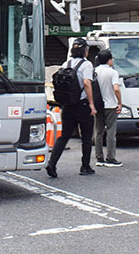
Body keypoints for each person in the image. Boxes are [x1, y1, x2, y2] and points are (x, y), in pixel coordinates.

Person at [46, 37, 97, 177]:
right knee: (86, 137)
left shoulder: (66, 63)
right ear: (85, 50)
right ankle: (85, 166)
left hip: (67, 105)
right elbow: (87, 83)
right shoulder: (87, 65)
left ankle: (52, 164)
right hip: (82, 105)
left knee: (64, 136)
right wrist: (92, 104)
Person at [93, 49, 123, 167]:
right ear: (109, 60)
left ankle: (99, 158)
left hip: (98, 105)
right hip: (110, 105)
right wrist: (120, 102)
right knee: (111, 132)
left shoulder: (94, 71)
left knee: (98, 131)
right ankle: (110, 158)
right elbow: (116, 88)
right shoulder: (112, 72)